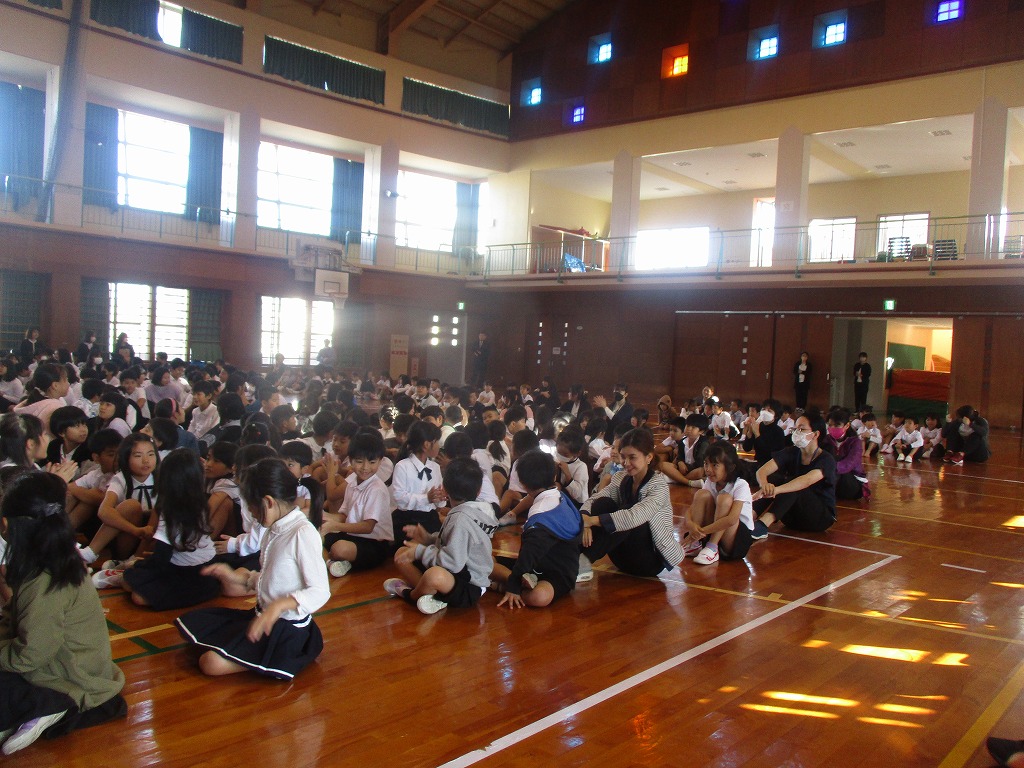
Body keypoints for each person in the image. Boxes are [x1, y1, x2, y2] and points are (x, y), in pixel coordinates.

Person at [0, 471, 126, 755]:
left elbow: (31, 655)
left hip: (71, 677)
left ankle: (49, 705)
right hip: (60, 662)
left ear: (8, 525)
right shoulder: (48, 560)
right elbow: (12, 616)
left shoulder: (45, 579)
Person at [175, 458, 329, 679]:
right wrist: (235, 577)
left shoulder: (302, 533)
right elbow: (273, 580)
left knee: (210, 664)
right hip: (263, 617)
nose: (250, 512)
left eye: (251, 506)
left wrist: (278, 607)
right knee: (197, 627)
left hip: (286, 631)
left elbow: (320, 591)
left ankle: (284, 657)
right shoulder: (273, 529)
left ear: (268, 502)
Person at [383, 457, 498, 615]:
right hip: (455, 574)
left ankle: (409, 594)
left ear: (444, 488)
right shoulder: (469, 511)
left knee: (434, 576)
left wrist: (419, 551)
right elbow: (452, 543)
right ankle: (432, 597)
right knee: (401, 553)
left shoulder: (461, 518)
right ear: (478, 491)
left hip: (469, 586)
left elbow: (452, 563)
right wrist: (428, 538)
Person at [120, 449, 220, 608]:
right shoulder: (200, 503)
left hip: (185, 573)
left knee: (132, 587)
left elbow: (160, 560)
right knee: (133, 576)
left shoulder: (170, 511)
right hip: (209, 571)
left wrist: (138, 566)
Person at [578, 427, 682, 580]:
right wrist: (584, 517)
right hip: (621, 557)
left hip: (648, 560)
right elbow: (595, 498)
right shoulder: (621, 478)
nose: (626, 463)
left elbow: (634, 516)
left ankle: (582, 562)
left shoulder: (658, 486)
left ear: (649, 457)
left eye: (632, 457)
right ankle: (576, 558)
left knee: (628, 511)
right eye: (623, 457)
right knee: (602, 503)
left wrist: (592, 521)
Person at [493, 449, 583, 609]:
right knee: (492, 563)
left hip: (552, 574)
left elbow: (528, 553)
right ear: (554, 476)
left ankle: (501, 585)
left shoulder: (539, 514)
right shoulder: (560, 497)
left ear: (523, 484)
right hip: (559, 571)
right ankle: (518, 582)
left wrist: (513, 587)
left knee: (539, 597)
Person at [78, 433, 160, 573]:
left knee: (161, 508)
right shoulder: (121, 478)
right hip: (129, 535)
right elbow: (103, 511)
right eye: (138, 456)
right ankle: (91, 553)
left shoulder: (162, 477)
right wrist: (135, 530)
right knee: (130, 506)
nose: (146, 461)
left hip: (155, 535)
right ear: (126, 458)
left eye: (151, 454)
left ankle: (136, 559)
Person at [752, 411, 837, 538]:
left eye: (801, 429)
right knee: (774, 479)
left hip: (818, 518)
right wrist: (765, 485)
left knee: (795, 483)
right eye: (796, 429)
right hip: (791, 517)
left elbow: (806, 480)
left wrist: (776, 490)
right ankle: (748, 517)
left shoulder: (826, 459)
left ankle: (763, 524)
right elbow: (762, 471)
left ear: (816, 434)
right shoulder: (792, 451)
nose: (797, 432)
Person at [320, 432, 393, 578]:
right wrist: (324, 518)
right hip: (354, 536)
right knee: (320, 534)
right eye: (359, 461)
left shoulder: (376, 489)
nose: (365, 467)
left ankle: (334, 560)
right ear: (351, 460)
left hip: (375, 543)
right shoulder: (352, 483)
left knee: (339, 548)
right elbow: (344, 516)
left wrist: (334, 526)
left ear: (380, 461)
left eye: (372, 462)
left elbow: (368, 527)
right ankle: (334, 563)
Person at [682, 442, 755, 566]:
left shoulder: (740, 485)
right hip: (712, 532)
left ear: (730, 467)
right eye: (706, 463)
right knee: (701, 494)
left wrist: (701, 531)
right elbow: (692, 508)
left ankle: (712, 547)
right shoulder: (710, 482)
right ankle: (695, 544)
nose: (708, 469)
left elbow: (732, 520)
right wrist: (691, 525)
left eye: (715, 465)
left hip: (736, 539)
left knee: (724, 499)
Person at [389, 420, 445, 547]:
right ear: (426, 444)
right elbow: (399, 497)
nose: (439, 446)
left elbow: (438, 502)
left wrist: (440, 498)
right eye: (437, 442)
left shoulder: (435, 467)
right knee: (410, 549)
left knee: (436, 545)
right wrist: (426, 498)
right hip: (407, 518)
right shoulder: (403, 466)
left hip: (430, 518)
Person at [12, 362, 70, 439]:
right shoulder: (55, 408)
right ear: (55, 385)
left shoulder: (35, 402)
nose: (68, 383)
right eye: (66, 380)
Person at [823, 408, 868, 499]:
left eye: (837, 425)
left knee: (834, 460)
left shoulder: (855, 442)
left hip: (851, 482)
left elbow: (849, 464)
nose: (833, 428)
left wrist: (829, 468)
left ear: (847, 425)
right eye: (830, 425)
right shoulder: (826, 440)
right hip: (833, 478)